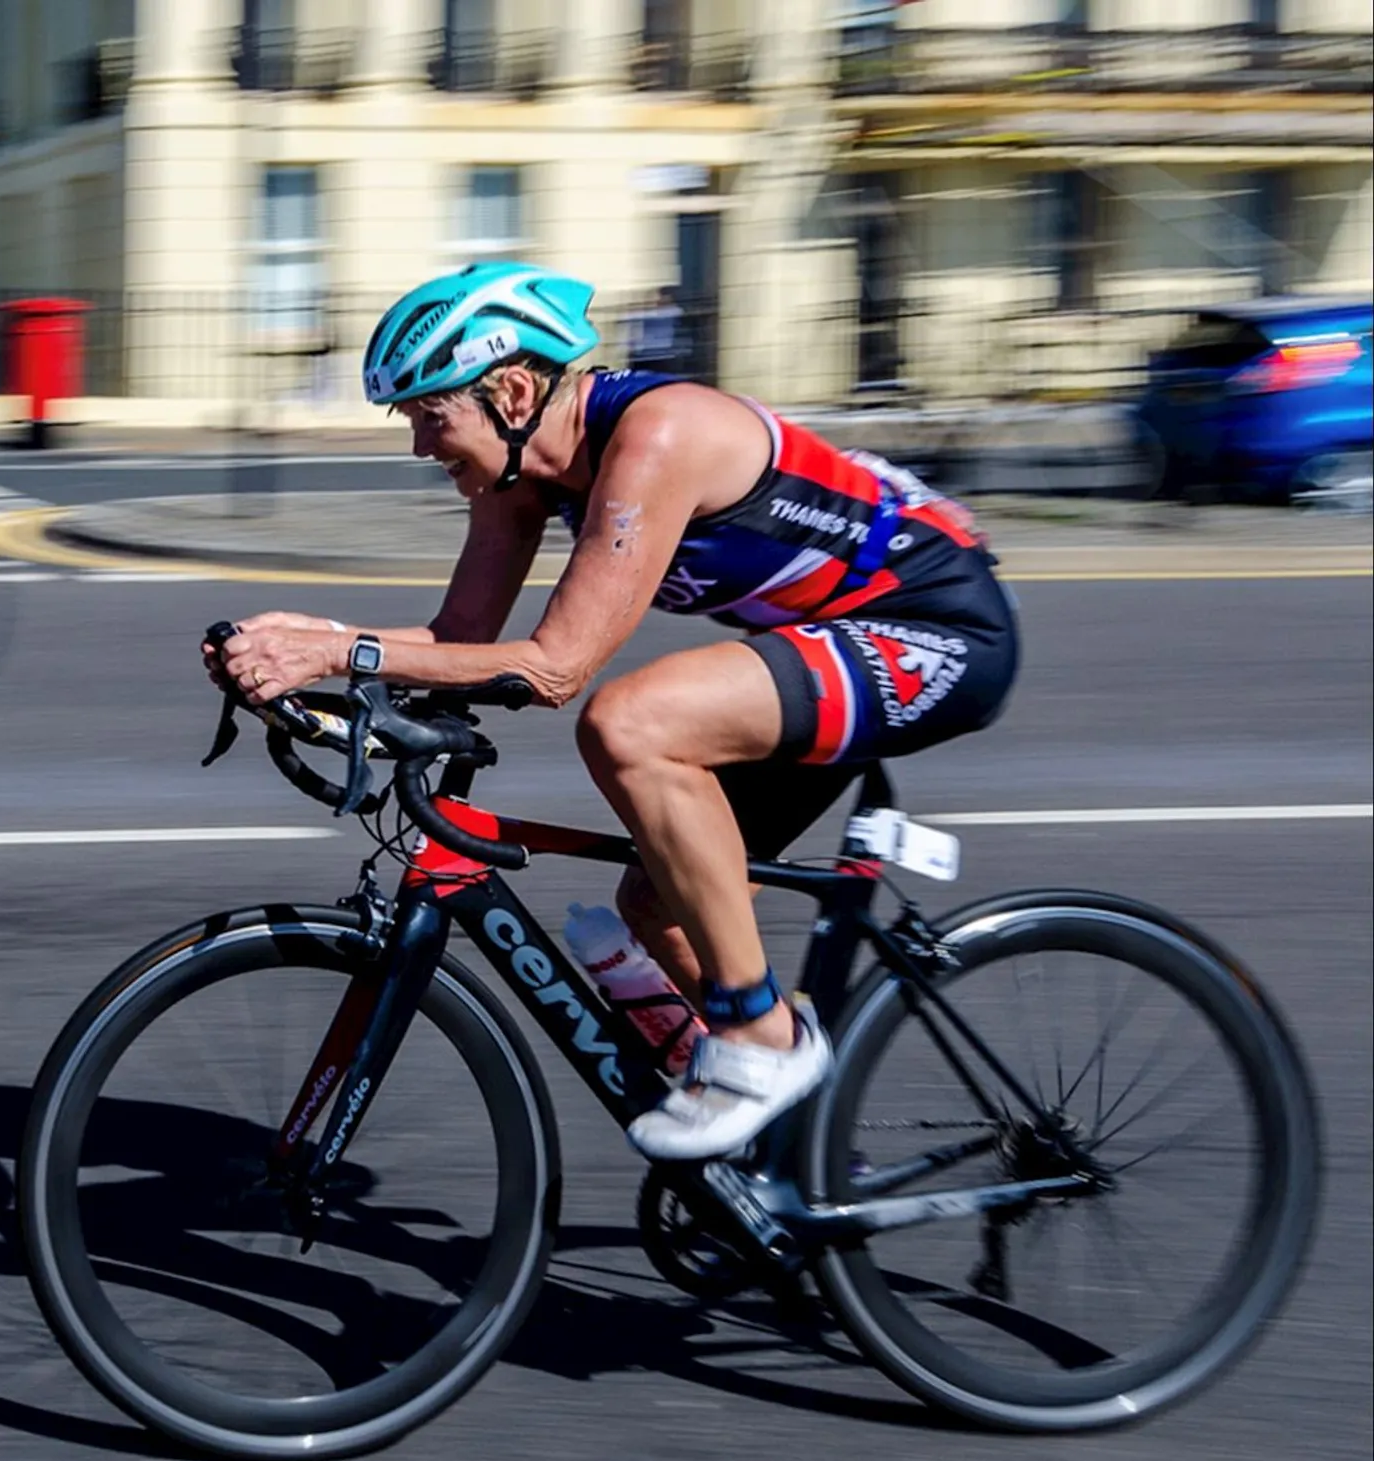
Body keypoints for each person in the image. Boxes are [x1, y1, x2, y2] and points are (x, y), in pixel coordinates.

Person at [204, 262, 1019, 1162]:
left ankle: (759, 1040)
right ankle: (798, 1162)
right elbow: (459, 637)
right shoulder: (522, 473)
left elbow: (556, 669)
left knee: (631, 721)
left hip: (935, 628)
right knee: (664, 906)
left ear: (512, 390)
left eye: (430, 415)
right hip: (826, 643)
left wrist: (336, 644)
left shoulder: (658, 435)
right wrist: (303, 672)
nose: (420, 447)